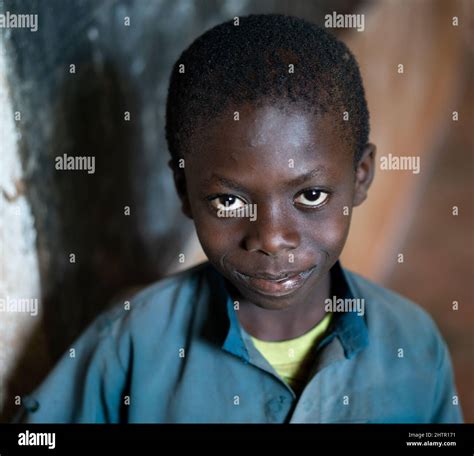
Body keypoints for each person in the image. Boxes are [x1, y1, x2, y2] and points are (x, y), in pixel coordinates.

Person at [17, 14, 462, 423]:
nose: (270, 238)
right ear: (184, 192)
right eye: (229, 203)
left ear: (360, 178)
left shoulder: (415, 348)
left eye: (310, 195)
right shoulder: (131, 346)